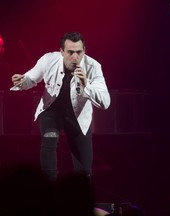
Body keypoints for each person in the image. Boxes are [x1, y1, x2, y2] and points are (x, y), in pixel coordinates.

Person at [11, 31, 111, 181]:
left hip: (78, 116)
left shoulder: (93, 67)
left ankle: (81, 200)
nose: (75, 57)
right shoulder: (48, 60)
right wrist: (22, 81)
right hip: (51, 110)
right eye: (70, 52)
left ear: (84, 51)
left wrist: (86, 84)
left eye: (78, 52)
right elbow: (31, 78)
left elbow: (105, 102)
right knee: (49, 139)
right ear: (62, 52)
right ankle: (49, 191)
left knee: (84, 169)